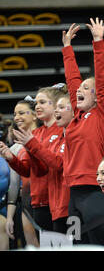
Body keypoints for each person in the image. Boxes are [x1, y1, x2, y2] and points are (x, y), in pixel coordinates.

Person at [61, 20, 104, 248]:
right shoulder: (77, 115)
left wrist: (98, 42)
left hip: (96, 190)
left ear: (98, 97)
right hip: (74, 193)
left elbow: (103, 82)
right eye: (80, 89)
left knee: (100, 244)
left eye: (87, 88)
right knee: (76, 245)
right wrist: (67, 47)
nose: (79, 91)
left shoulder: (103, 116)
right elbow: (72, 80)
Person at [11, 91, 73, 234]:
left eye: (43, 102)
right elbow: (32, 171)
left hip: (57, 200)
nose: (37, 106)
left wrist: (32, 145)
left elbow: (57, 164)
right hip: (39, 199)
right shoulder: (37, 133)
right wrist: (11, 159)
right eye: (36, 103)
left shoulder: (62, 131)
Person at [0, 99, 40, 247]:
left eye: (22, 113)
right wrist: (10, 217)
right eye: (15, 113)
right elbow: (14, 185)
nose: (16, 117)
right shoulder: (16, 148)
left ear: (35, 115)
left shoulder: (45, 139)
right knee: (32, 245)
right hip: (26, 204)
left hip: (48, 203)